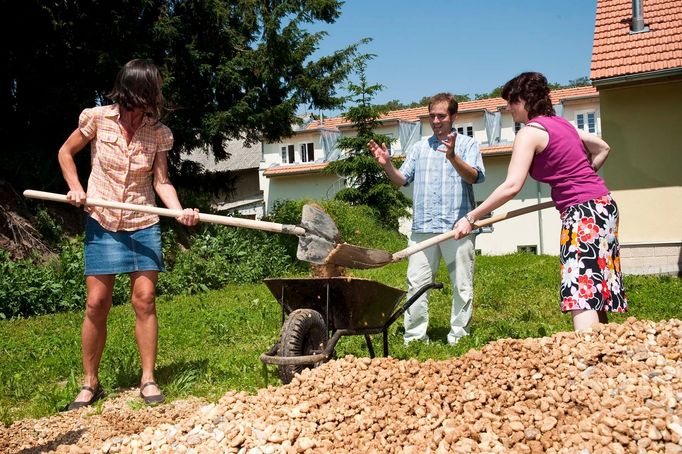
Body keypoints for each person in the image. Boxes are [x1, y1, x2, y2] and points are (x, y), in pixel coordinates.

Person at [57, 59, 199, 409]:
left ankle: (148, 378)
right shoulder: (97, 119)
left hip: (143, 222)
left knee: (145, 299)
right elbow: (65, 153)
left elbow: (161, 181)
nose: (156, 96)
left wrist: (179, 209)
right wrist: (75, 187)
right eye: (152, 89)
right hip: (102, 220)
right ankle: (90, 382)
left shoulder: (158, 132)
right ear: (136, 90)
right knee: (96, 304)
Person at [452, 71, 627, 331]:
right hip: (603, 205)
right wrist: (579, 178)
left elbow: (511, 185)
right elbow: (603, 147)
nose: (508, 108)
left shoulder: (530, 132)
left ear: (523, 100)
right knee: (596, 282)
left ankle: (589, 356)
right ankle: (604, 351)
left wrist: (471, 217)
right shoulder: (562, 125)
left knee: (581, 288)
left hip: (583, 213)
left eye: (510, 102)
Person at [369, 92, 485, 346]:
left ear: (453, 116)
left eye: (441, 116)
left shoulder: (468, 145)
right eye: (432, 116)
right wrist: (387, 165)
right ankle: (414, 338)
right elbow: (402, 180)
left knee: (462, 284)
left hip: (458, 228)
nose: (436, 120)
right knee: (416, 283)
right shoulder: (419, 148)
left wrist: (453, 156)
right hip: (423, 228)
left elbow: (474, 177)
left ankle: (459, 337)